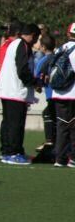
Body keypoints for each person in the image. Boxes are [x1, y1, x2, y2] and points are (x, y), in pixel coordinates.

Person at [0, 23, 39, 165]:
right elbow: (23, 71)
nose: (36, 41)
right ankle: (13, 153)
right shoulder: (22, 45)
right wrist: (34, 82)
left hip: (8, 90)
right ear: (32, 35)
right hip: (15, 91)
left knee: (8, 123)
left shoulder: (15, 43)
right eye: (36, 37)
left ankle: (8, 151)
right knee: (15, 124)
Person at [51, 24, 75, 167]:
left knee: (62, 126)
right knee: (73, 127)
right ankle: (72, 157)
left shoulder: (61, 48)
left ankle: (59, 158)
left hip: (58, 93)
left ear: (68, 34)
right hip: (72, 93)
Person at [34, 34, 56, 154]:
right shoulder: (59, 57)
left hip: (52, 94)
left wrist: (38, 87)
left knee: (48, 114)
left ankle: (50, 141)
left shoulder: (43, 61)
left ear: (43, 47)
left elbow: (37, 80)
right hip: (65, 93)